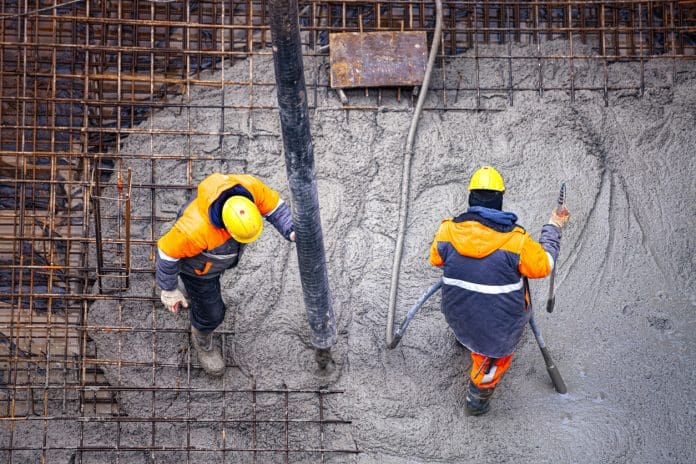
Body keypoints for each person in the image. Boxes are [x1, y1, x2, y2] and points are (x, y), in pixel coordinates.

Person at [429, 166, 569, 415]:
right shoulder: (518, 242)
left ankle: (465, 341)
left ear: (471, 197)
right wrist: (554, 228)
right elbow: (544, 265)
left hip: (457, 314)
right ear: (499, 199)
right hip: (497, 328)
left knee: (468, 325)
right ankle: (477, 399)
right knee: (493, 360)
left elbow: (437, 259)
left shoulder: (446, 231)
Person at [156, 173, 295, 377]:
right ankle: (202, 340)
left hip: (212, 259)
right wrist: (168, 289)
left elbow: (275, 207)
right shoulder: (194, 230)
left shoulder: (250, 188)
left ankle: (181, 286)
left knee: (189, 283)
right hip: (198, 271)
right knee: (213, 312)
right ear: (226, 226)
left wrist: (291, 229)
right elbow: (167, 252)